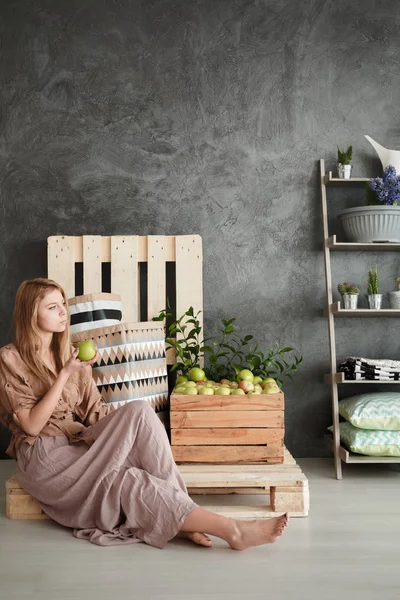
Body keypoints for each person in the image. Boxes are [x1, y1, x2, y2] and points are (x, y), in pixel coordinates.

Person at [0, 278, 289, 549]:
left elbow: (95, 415)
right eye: (53, 307)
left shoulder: (71, 354)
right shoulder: (10, 358)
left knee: (138, 410)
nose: (64, 312)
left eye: (63, 304)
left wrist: (121, 436)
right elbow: (32, 426)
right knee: (129, 480)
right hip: (45, 457)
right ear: (30, 314)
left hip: (77, 444)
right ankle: (232, 530)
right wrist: (65, 375)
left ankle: (187, 514)